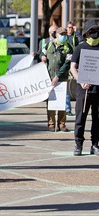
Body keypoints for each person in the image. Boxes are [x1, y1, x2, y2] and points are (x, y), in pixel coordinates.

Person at [70, 19, 99, 156]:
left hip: (98, 90)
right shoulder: (80, 48)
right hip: (84, 90)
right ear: (87, 33)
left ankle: (95, 144)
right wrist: (80, 80)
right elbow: (73, 67)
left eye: (96, 31)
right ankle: (78, 144)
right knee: (80, 118)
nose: (95, 34)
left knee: (97, 119)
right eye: (92, 31)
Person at [40, 27, 73, 132]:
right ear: (56, 35)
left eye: (65, 34)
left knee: (62, 101)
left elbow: (67, 64)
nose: (63, 36)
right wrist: (42, 57)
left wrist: (57, 76)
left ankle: (62, 124)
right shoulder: (49, 44)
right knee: (51, 101)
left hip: (62, 78)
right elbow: (42, 53)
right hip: (49, 77)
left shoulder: (68, 47)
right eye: (61, 34)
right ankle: (51, 124)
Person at [65, 21, 83, 116]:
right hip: (67, 66)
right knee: (67, 88)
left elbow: (82, 43)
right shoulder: (64, 37)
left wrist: (77, 32)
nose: (70, 29)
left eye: (72, 27)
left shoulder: (76, 37)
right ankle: (68, 109)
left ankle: (78, 108)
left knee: (78, 87)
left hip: (76, 65)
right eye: (69, 27)